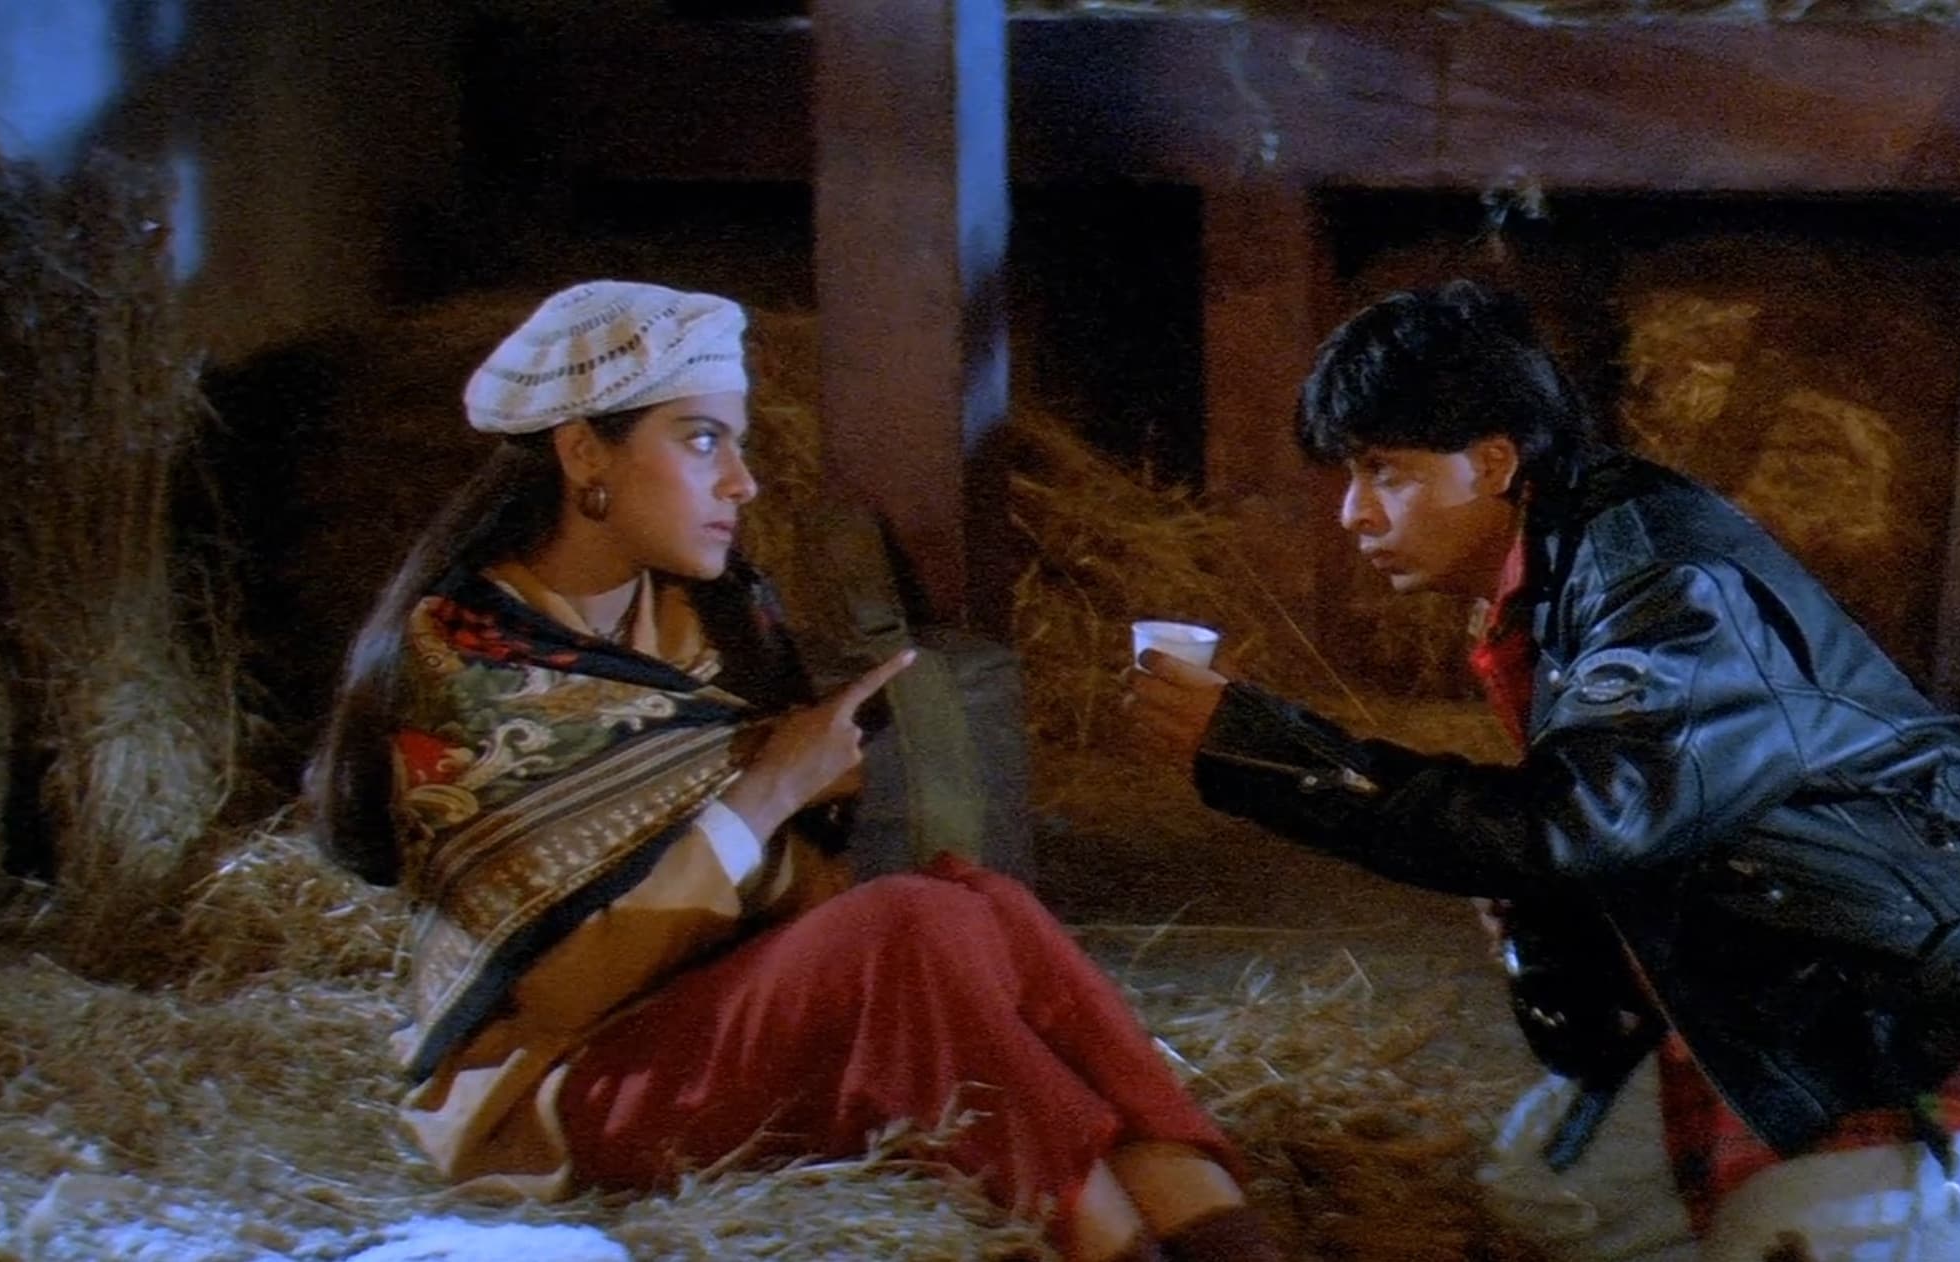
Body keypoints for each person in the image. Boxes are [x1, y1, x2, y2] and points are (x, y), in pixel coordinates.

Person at [1122, 279, 1960, 1261]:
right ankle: (1908, 1198)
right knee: (1547, 1198)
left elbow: (1571, 825)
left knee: (1787, 1251)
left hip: (1954, 986)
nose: (1353, 512)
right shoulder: (1553, 572)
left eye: (1384, 472)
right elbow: (1597, 839)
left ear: (1494, 461)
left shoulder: (1667, 592)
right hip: (1789, 976)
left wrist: (1265, 752)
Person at [306, 280, 1282, 1262]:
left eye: (737, 444)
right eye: (701, 441)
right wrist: (768, 791)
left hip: (727, 1018)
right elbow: (559, 992)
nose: (742, 482)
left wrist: (804, 834)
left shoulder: (715, 617)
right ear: (583, 452)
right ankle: (1118, 1242)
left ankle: (1211, 1224)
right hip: (565, 1084)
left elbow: (803, 909)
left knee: (972, 902)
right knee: (908, 924)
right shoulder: (464, 657)